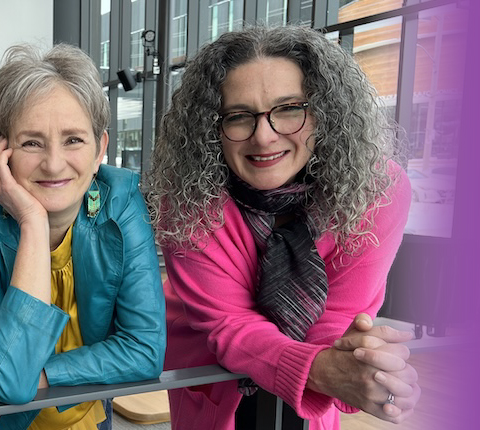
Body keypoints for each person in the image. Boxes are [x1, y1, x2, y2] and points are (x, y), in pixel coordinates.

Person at [144, 25, 421, 429]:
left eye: (289, 109)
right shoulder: (187, 196)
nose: (264, 137)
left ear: (325, 111)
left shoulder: (379, 190)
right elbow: (229, 324)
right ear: (211, 128)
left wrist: (369, 369)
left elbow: (340, 318)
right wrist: (324, 369)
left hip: (313, 379)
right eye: (238, 117)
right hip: (212, 372)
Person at [0, 43, 165, 430]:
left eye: (74, 139)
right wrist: (32, 221)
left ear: (100, 150)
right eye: (31, 142)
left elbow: (144, 350)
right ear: (2, 153)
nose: (54, 163)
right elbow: (5, 378)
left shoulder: (122, 200)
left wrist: (43, 377)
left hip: (92, 420)